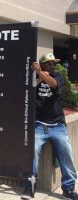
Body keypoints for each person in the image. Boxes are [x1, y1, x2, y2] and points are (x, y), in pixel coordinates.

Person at [21, 53, 78, 199]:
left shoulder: (57, 76)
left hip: (57, 125)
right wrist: (39, 75)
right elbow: (30, 90)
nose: (52, 66)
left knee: (66, 152)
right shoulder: (34, 78)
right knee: (32, 151)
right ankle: (30, 186)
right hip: (39, 125)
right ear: (42, 64)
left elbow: (54, 85)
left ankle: (68, 189)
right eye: (49, 64)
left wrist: (41, 73)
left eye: (53, 63)